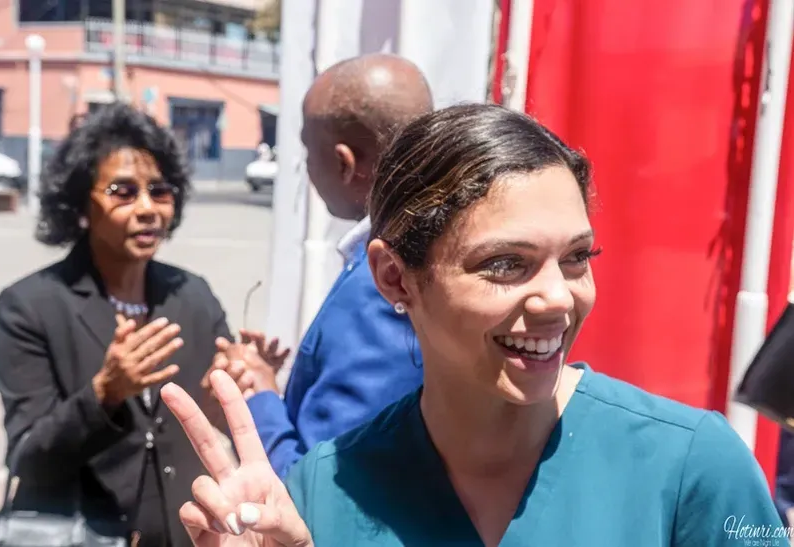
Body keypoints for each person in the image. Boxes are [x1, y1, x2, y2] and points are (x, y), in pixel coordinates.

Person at [162, 103, 783, 546]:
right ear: (396, 279)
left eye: (576, 258)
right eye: (505, 264)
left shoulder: (694, 466)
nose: (556, 301)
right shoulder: (321, 490)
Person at [0, 103, 251, 547]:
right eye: (123, 191)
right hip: (77, 535)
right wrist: (103, 394)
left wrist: (235, 389)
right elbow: (28, 459)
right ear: (80, 204)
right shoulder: (29, 305)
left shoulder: (193, 294)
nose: (147, 208)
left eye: (160, 191)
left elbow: (216, 423)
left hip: (185, 534)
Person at [239, 53, 434, 479]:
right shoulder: (426, 247)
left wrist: (259, 395)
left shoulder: (384, 285)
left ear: (344, 163)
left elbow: (317, 485)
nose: (306, 166)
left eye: (309, 150)